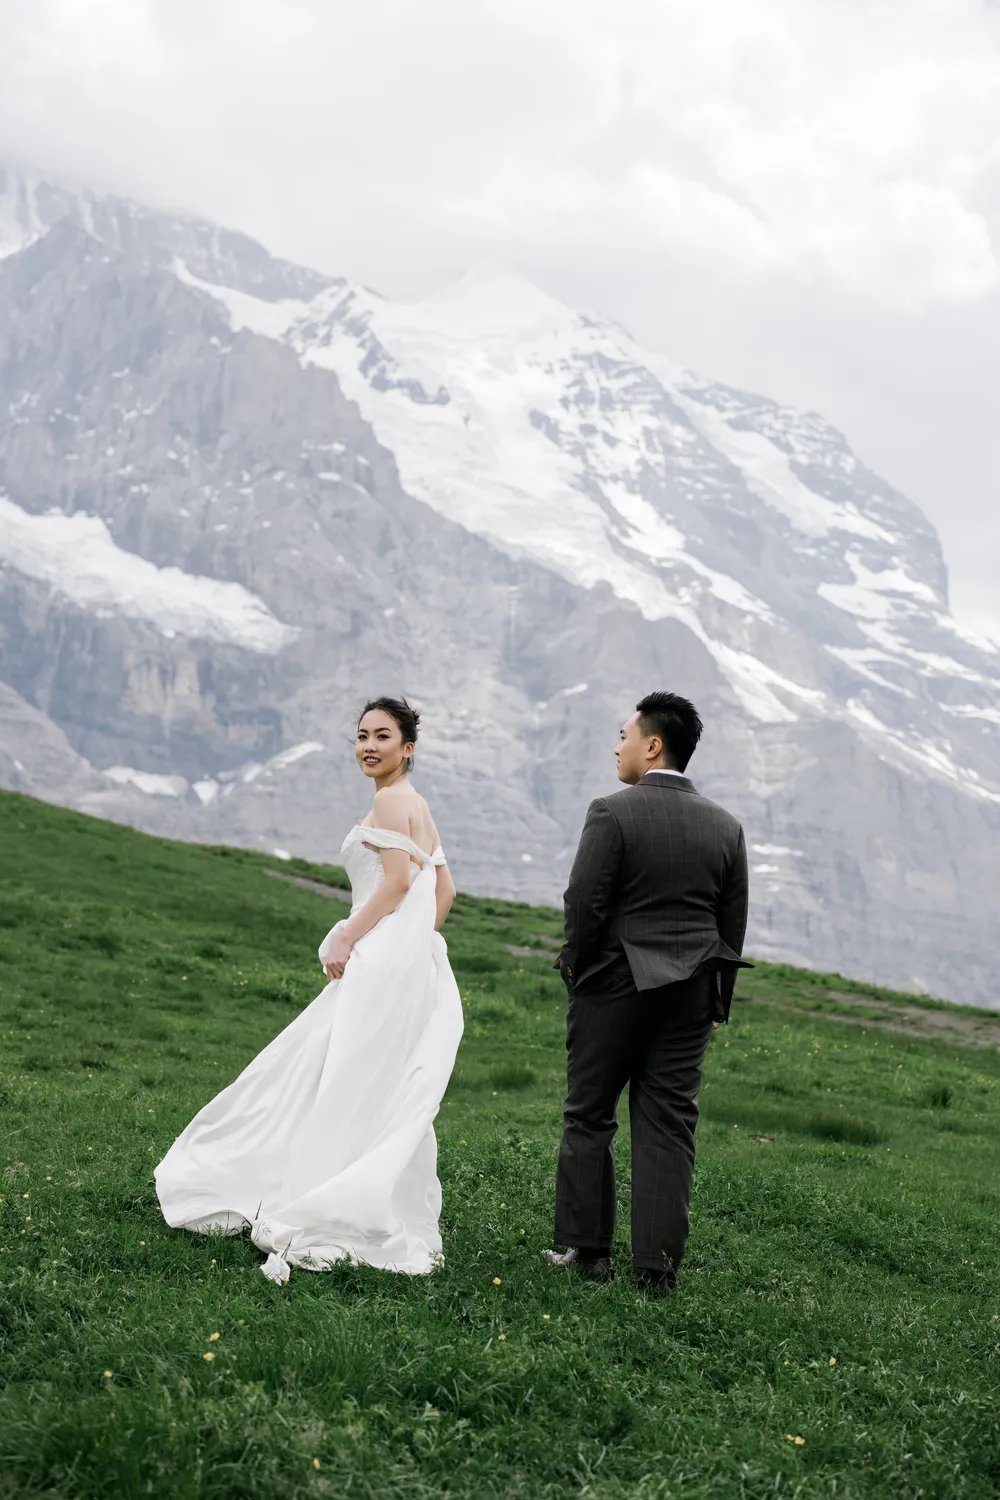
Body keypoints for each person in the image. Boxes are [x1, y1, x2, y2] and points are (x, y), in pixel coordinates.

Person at [155, 697, 463, 1283]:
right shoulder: (417, 804)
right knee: (355, 1078)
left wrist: (349, 937)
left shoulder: (391, 800)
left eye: (383, 736)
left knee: (326, 1075)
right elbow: (442, 892)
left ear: (408, 748)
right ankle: (349, 1191)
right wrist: (405, 950)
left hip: (373, 964)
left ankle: (314, 1194)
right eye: (362, 735)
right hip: (397, 966)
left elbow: (399, 883)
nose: (369, 746)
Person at [546, 691, 750, 1294]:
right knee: (669, 1125)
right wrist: (719, 1001)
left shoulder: (612, 812)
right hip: (690, 995)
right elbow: (731, 923)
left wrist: (576, 969)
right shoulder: (726, 826)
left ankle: (588, 1256)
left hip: (614, 985)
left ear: (652, 745)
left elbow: (584, 902)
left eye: (624, 735)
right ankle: (657, 1271)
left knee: (589, 1115)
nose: (617, 746)